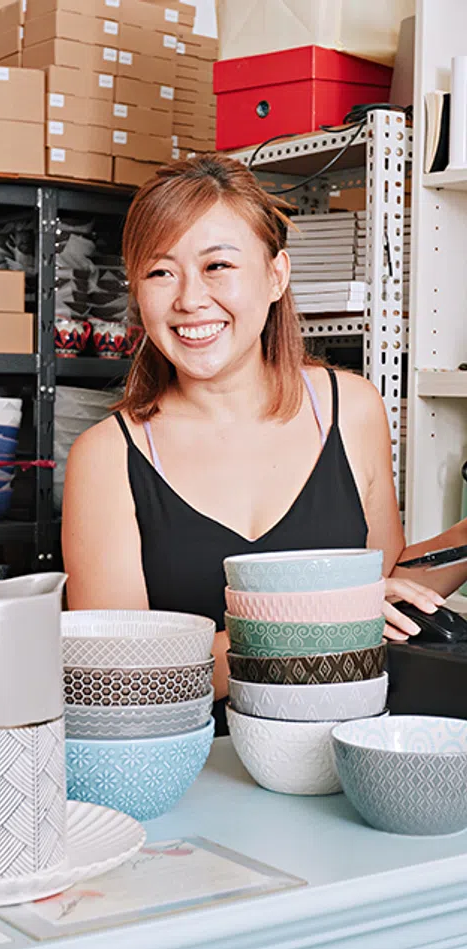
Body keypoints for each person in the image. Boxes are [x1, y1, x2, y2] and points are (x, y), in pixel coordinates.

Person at [62, 154, 467, 734]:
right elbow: (122, 678)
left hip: (349, 751)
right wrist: (315, 621)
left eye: (218, 265)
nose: (189, 299)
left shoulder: (351, 408)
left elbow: (382, 594)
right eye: (160, 272)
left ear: (276, 275)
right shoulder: (108, 456)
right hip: (199, 774)